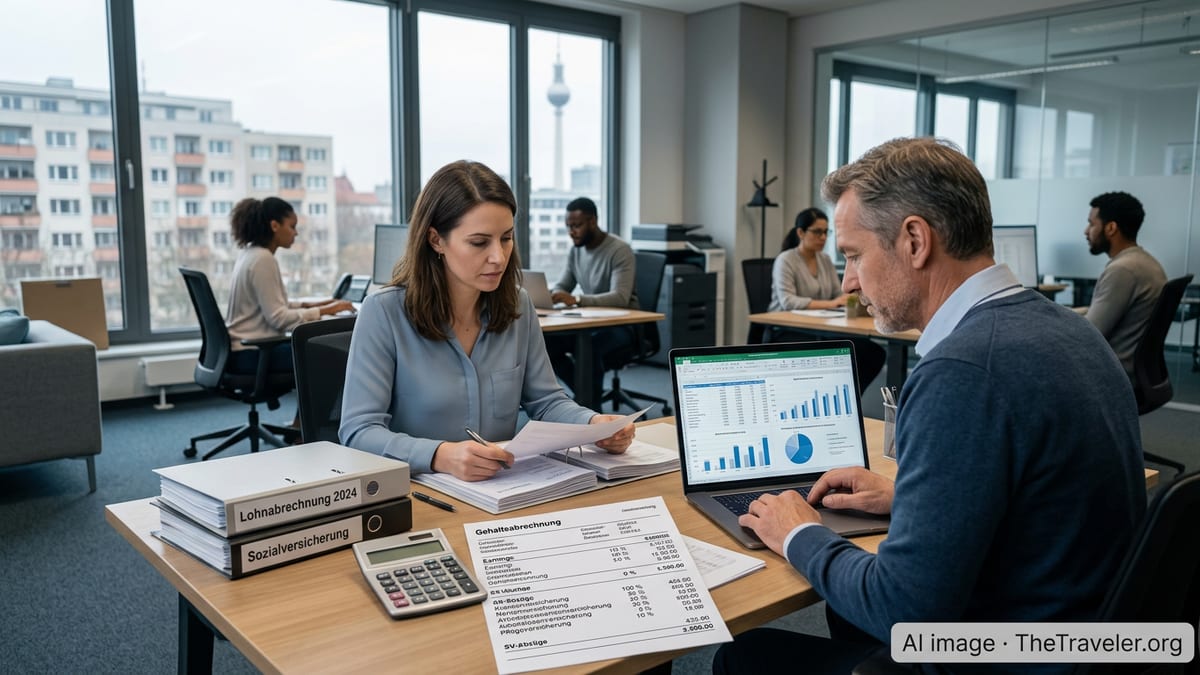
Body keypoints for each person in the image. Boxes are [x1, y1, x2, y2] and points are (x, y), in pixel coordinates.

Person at [713, 138, 1146, 674]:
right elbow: (1040, 502)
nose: (848, 281)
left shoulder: (962, 373)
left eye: (854, 255)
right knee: (845, 613)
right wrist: (908, 501)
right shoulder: (1069, 331)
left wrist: (797, 533)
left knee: (743, 657)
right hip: (1086, 641)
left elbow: (903, 611)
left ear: (915, 241)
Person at [338, 161, 634, 482]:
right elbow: (358, 431)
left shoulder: (518, 305)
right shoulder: (383, 312)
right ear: (436, 240)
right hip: (421, 490)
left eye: (506, 238)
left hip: (501, 489)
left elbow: (547, 402)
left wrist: (593, 424)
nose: (499, 257)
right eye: (479, 242)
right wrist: (440, 455)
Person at [225, 196, 353, 377]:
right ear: (274, 226)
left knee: (323, 349)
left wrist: (315, 305)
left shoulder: (250, 254)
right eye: (292, 226)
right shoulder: (263, 259)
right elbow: (279, 319)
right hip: (253, 354)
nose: (296, 233)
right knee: (335, 353)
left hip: (244, 351)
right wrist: (326, 311)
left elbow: (273, 304)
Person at [766, 206, 886, 391]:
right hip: (787, 330)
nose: (823, 237)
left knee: (870, 351)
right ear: (800, 233)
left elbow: (838, 293)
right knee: (851, 351)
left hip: (819, 328)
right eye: (817, 232)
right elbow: (788, 301)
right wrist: (832, 303)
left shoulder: (825, 260)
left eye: (826, 232)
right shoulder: (786, 260)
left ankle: (845, 397)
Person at [544, 197, 639, 402]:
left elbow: (620, 298)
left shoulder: (619, 250)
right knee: (546, 343)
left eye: (576, 226)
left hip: (623, 325)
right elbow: (563, 284)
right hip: (590, 324)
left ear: (593, 221)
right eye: (568, 226)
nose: (571, 232)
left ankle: (590, 404)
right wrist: (554, 294)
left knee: (589, 347)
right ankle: (586, 397)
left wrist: (577, 299)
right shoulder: (576, 251)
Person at [1083, 191, 1167, 380]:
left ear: (1111, 228)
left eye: (1091, 224)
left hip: (1113, 373)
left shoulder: (1123, 270)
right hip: (1134, 370)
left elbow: (1089, 333)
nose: (1086, 231)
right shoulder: (1144, 262)